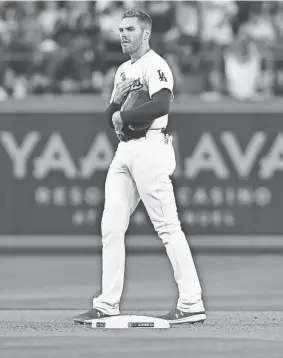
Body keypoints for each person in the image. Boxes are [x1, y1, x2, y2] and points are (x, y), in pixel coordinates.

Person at [73, 9, 206, 325]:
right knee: (111, 225)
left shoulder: (155, 64)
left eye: (130, 29)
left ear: (145, 32)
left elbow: (162, 103)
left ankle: (191, 303)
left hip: (150, 147)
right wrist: (114, 105)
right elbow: (112, 118)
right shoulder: (122, 71)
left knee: (167, 226)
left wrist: (123, 115)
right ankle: (107, 303)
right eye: (120, 29)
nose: (123, 34)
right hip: (125, 150)